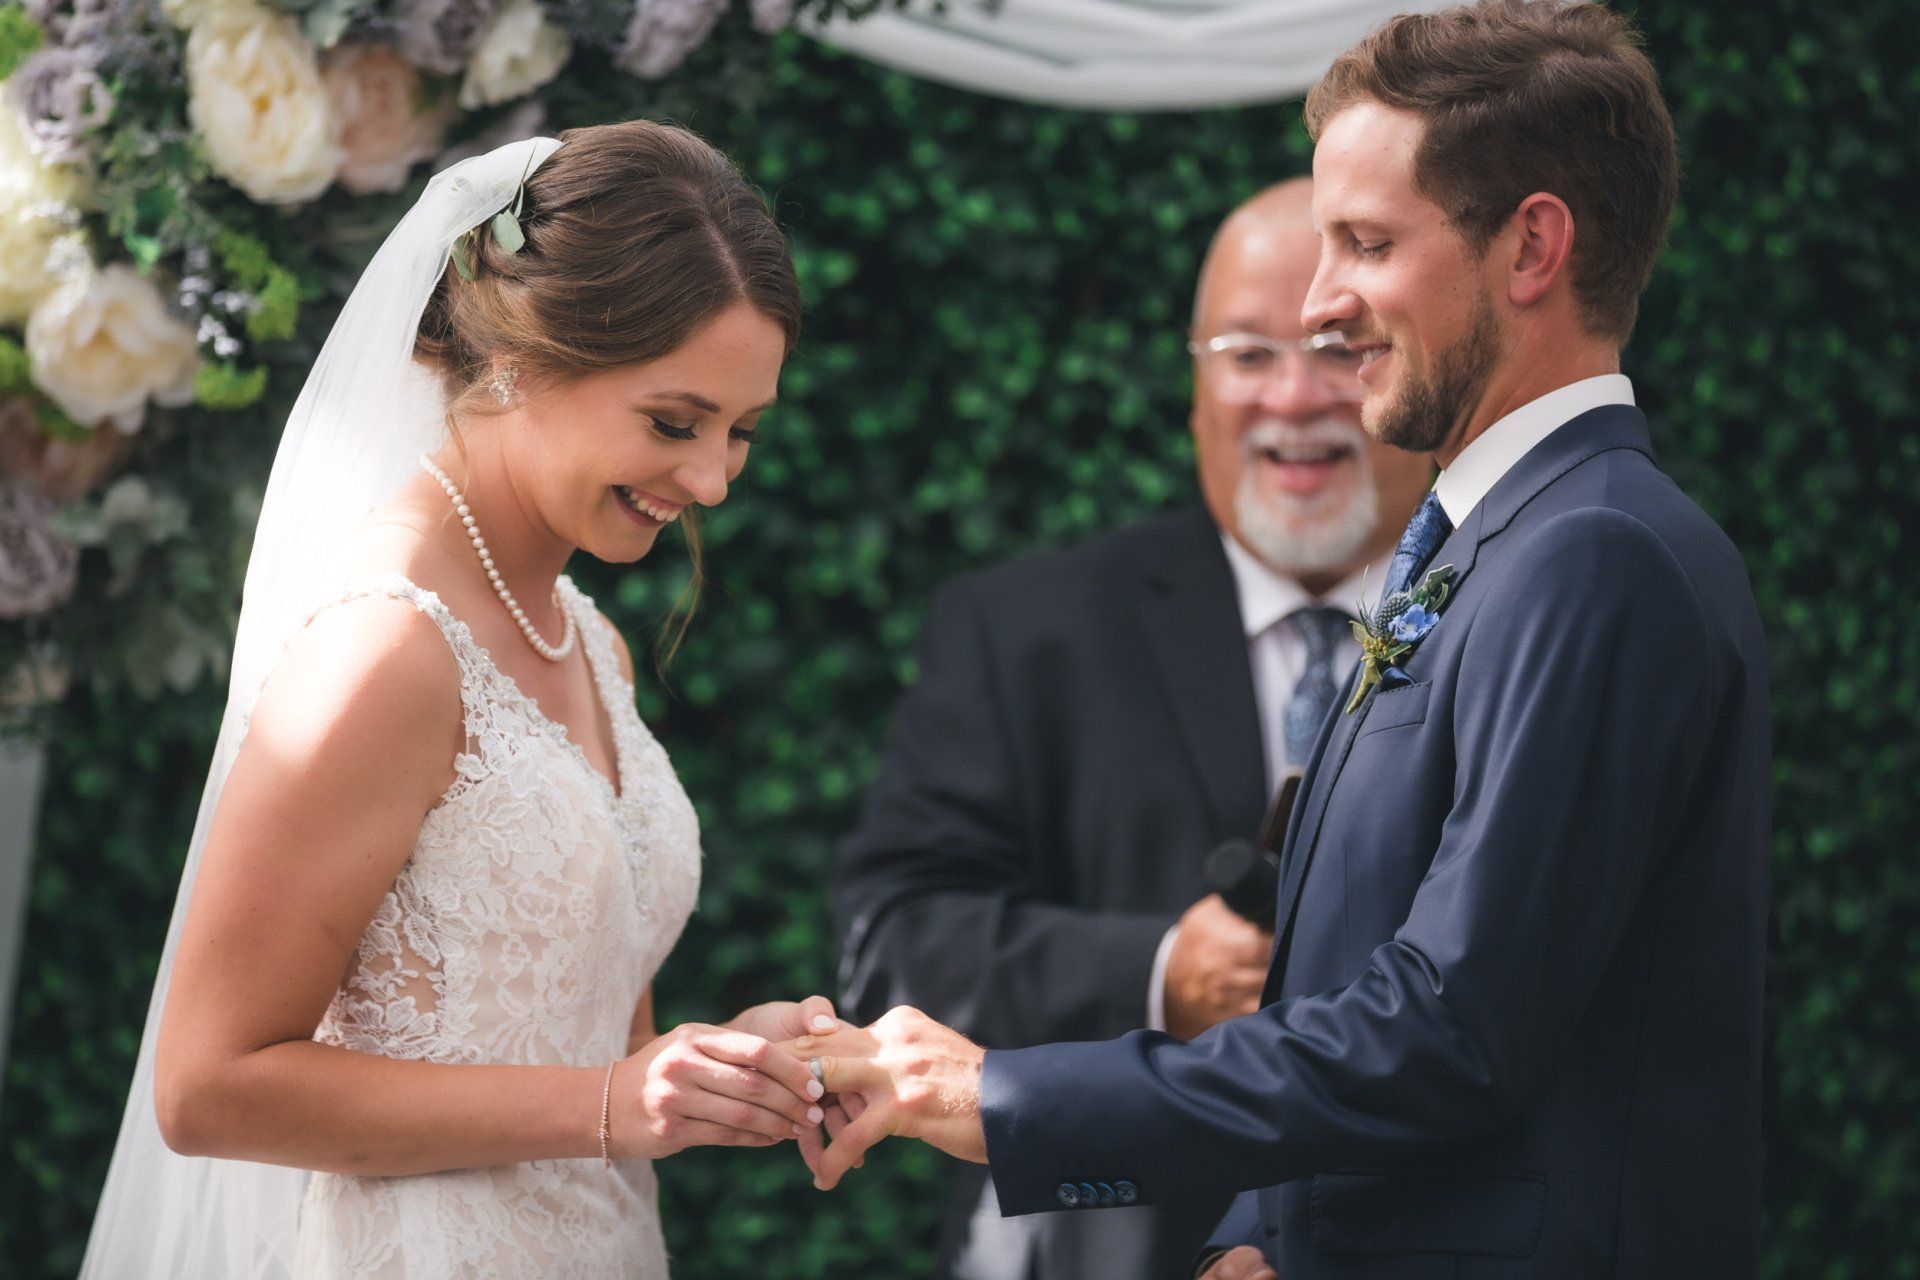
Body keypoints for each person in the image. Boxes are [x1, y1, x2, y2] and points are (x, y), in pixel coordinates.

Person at [790, 4, 1773, 1278]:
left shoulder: (1595, 555)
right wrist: (1268, 1233)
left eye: (1365, 243)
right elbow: (1365, 981)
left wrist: (1004, 1096)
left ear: (1531, 245)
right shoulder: (1484, 540)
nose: (1322, 306)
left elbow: (1456, 1024)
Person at [81, 121, 840, 1279]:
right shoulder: (383, 653)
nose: (712, 480)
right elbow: (205, 1086)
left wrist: (720, 1066)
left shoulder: (592, 646)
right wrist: (608, 1102)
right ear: (523, 358)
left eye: (741, 431)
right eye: (674, 422)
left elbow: (594, 1056)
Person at [832, 179, 1430, 1280]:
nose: (1296, 396)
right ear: (1196, 384)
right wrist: (1159, 970)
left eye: (1342, 347)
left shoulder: (1514, 620)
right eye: (1249, 352)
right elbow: (892, 943)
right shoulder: (1025, 630)